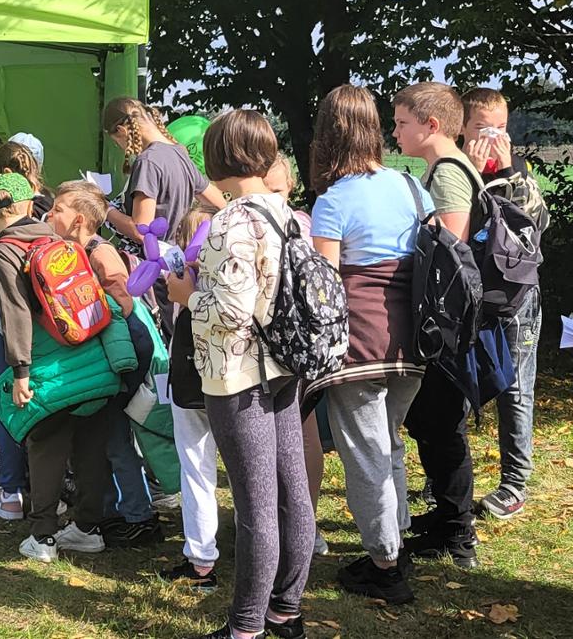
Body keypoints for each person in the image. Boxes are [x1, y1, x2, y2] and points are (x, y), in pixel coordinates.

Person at [178, 109, 312, 639]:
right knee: (291, 492)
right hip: (284, 366)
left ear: (217, 158)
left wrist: (187, 295)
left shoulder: (232, 222)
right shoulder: (285, 212)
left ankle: (247, 626)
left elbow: (231, 310)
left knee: (256, 505)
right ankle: (286, 609)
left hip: (238, 375)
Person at [306, 85, 431, 604]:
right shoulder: (412, 188)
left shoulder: (333, 201)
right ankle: (395, 543)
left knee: (366, 455)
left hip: (358, 346)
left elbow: (323, 286)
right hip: (414, 342)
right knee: (389, 443)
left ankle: (385, 564)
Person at [0, 171, 115, 563]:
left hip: (48, 364)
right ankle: (88, 528)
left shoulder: (3, 251)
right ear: (30, 204)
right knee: (89, 441)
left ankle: (43, 536)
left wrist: (20, 372)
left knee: (45, 444)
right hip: (90, 354)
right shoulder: (58, 240)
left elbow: (16, 313)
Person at [389, 81, 483, 568]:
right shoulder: (442, 167)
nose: (395, 132)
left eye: (402, 123)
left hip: (446, 322)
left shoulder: (446, 173)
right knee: (432, 419)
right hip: (446, 321)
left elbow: (450, 249)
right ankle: (448, 516)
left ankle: (457, 532)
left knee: (442, 422)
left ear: (430, 125)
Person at [48, 180, 162, 549]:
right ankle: (113, 509)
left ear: (79, 220)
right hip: (104, 358)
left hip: (121, 358)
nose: (50, 215)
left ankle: (139, 516)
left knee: (114, 439)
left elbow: (123, 301)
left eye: (58, 209)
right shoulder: (74, 251)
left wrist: (87, 311)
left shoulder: (100, 252)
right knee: (101, 438)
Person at [460, 88, 550, 521]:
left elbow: (538, 222)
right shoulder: (455, 169)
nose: (493, 137)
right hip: (468, 294)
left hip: (517, 295)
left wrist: (510, 171)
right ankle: (450, 477)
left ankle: (515, 482)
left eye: (500, 128)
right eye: (482, 128)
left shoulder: (520, 172)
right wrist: (473, 171)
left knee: (515, 387)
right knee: (458, 384)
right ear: (462, 128)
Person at [0, 140, 52, 519]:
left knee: (8, 403)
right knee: (47, 407)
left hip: (9, 329)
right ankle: (48, 489)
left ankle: (12, 489)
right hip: (54, 327)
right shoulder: (50, 210)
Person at [265, 155, 332, 558]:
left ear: (289, 187)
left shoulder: (301, 226)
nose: (271, 198)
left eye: (276, 190)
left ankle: (305, 521)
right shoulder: (253, 221)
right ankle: (274, 522)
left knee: (303, 435)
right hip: (265, 346)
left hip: (293, 345)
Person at [157, 201, 225, 591]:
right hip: (235, 379)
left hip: (192, 383)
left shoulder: (183, 284)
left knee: (197, 468)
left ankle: (201, 558)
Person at [102, 97, 214, 257]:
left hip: (150, 264)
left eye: (116, 142)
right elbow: (220, 205)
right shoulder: (181, 154)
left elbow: (141, 231)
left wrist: (106, 208)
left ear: (122, 131)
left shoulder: (147, 162)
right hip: (175, 259)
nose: (119, 147)